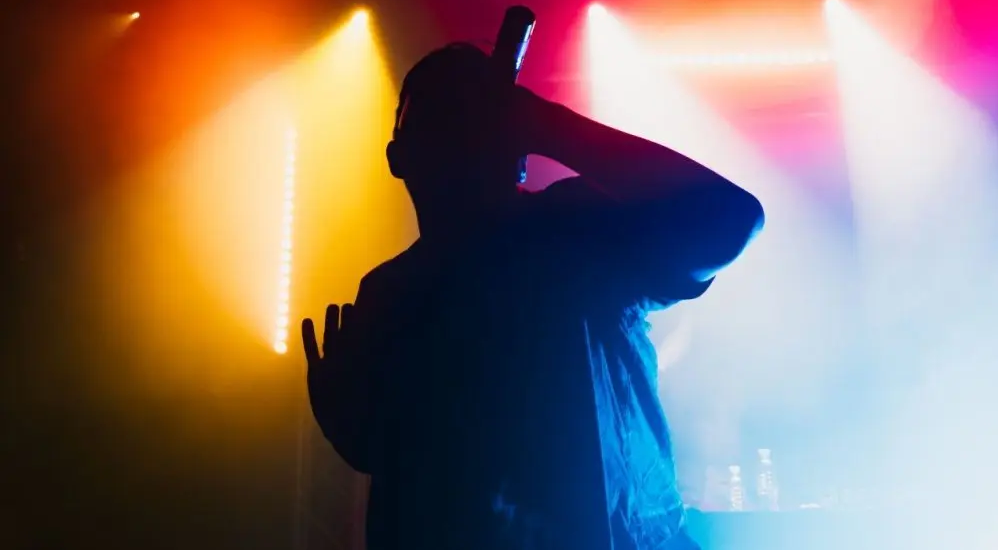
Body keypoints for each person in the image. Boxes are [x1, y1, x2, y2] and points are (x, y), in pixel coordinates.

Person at [302, 42, 764, 550]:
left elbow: (729, 218)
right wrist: (350, 430)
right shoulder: (389, 293)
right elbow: (398, 457)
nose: (465, 130)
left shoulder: (576, 226)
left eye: (480, 112)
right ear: (398, 158)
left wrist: (546, 123)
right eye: (442, 115)